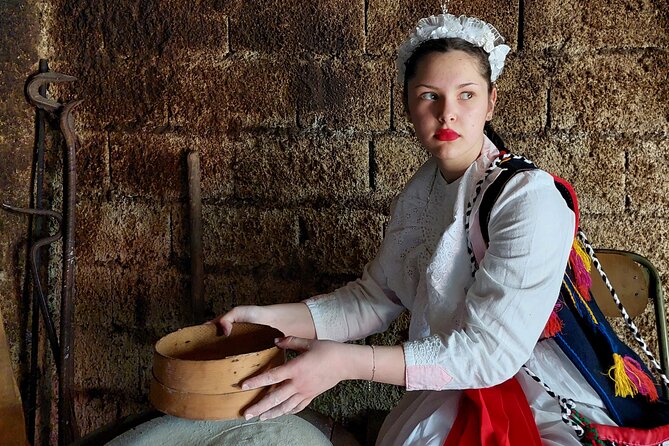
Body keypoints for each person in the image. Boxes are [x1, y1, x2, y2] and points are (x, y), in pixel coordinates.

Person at [212, 11, 620, 446]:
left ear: (491, 102)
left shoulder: (527, 199)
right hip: (448, 380)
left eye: (466, 95)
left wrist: (347, 364)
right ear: (407, 104)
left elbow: (489, 354)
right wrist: (268, 321)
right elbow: (375, 298)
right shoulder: (420, 192)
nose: (448, 114)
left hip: (537, 397)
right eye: (430, 96)